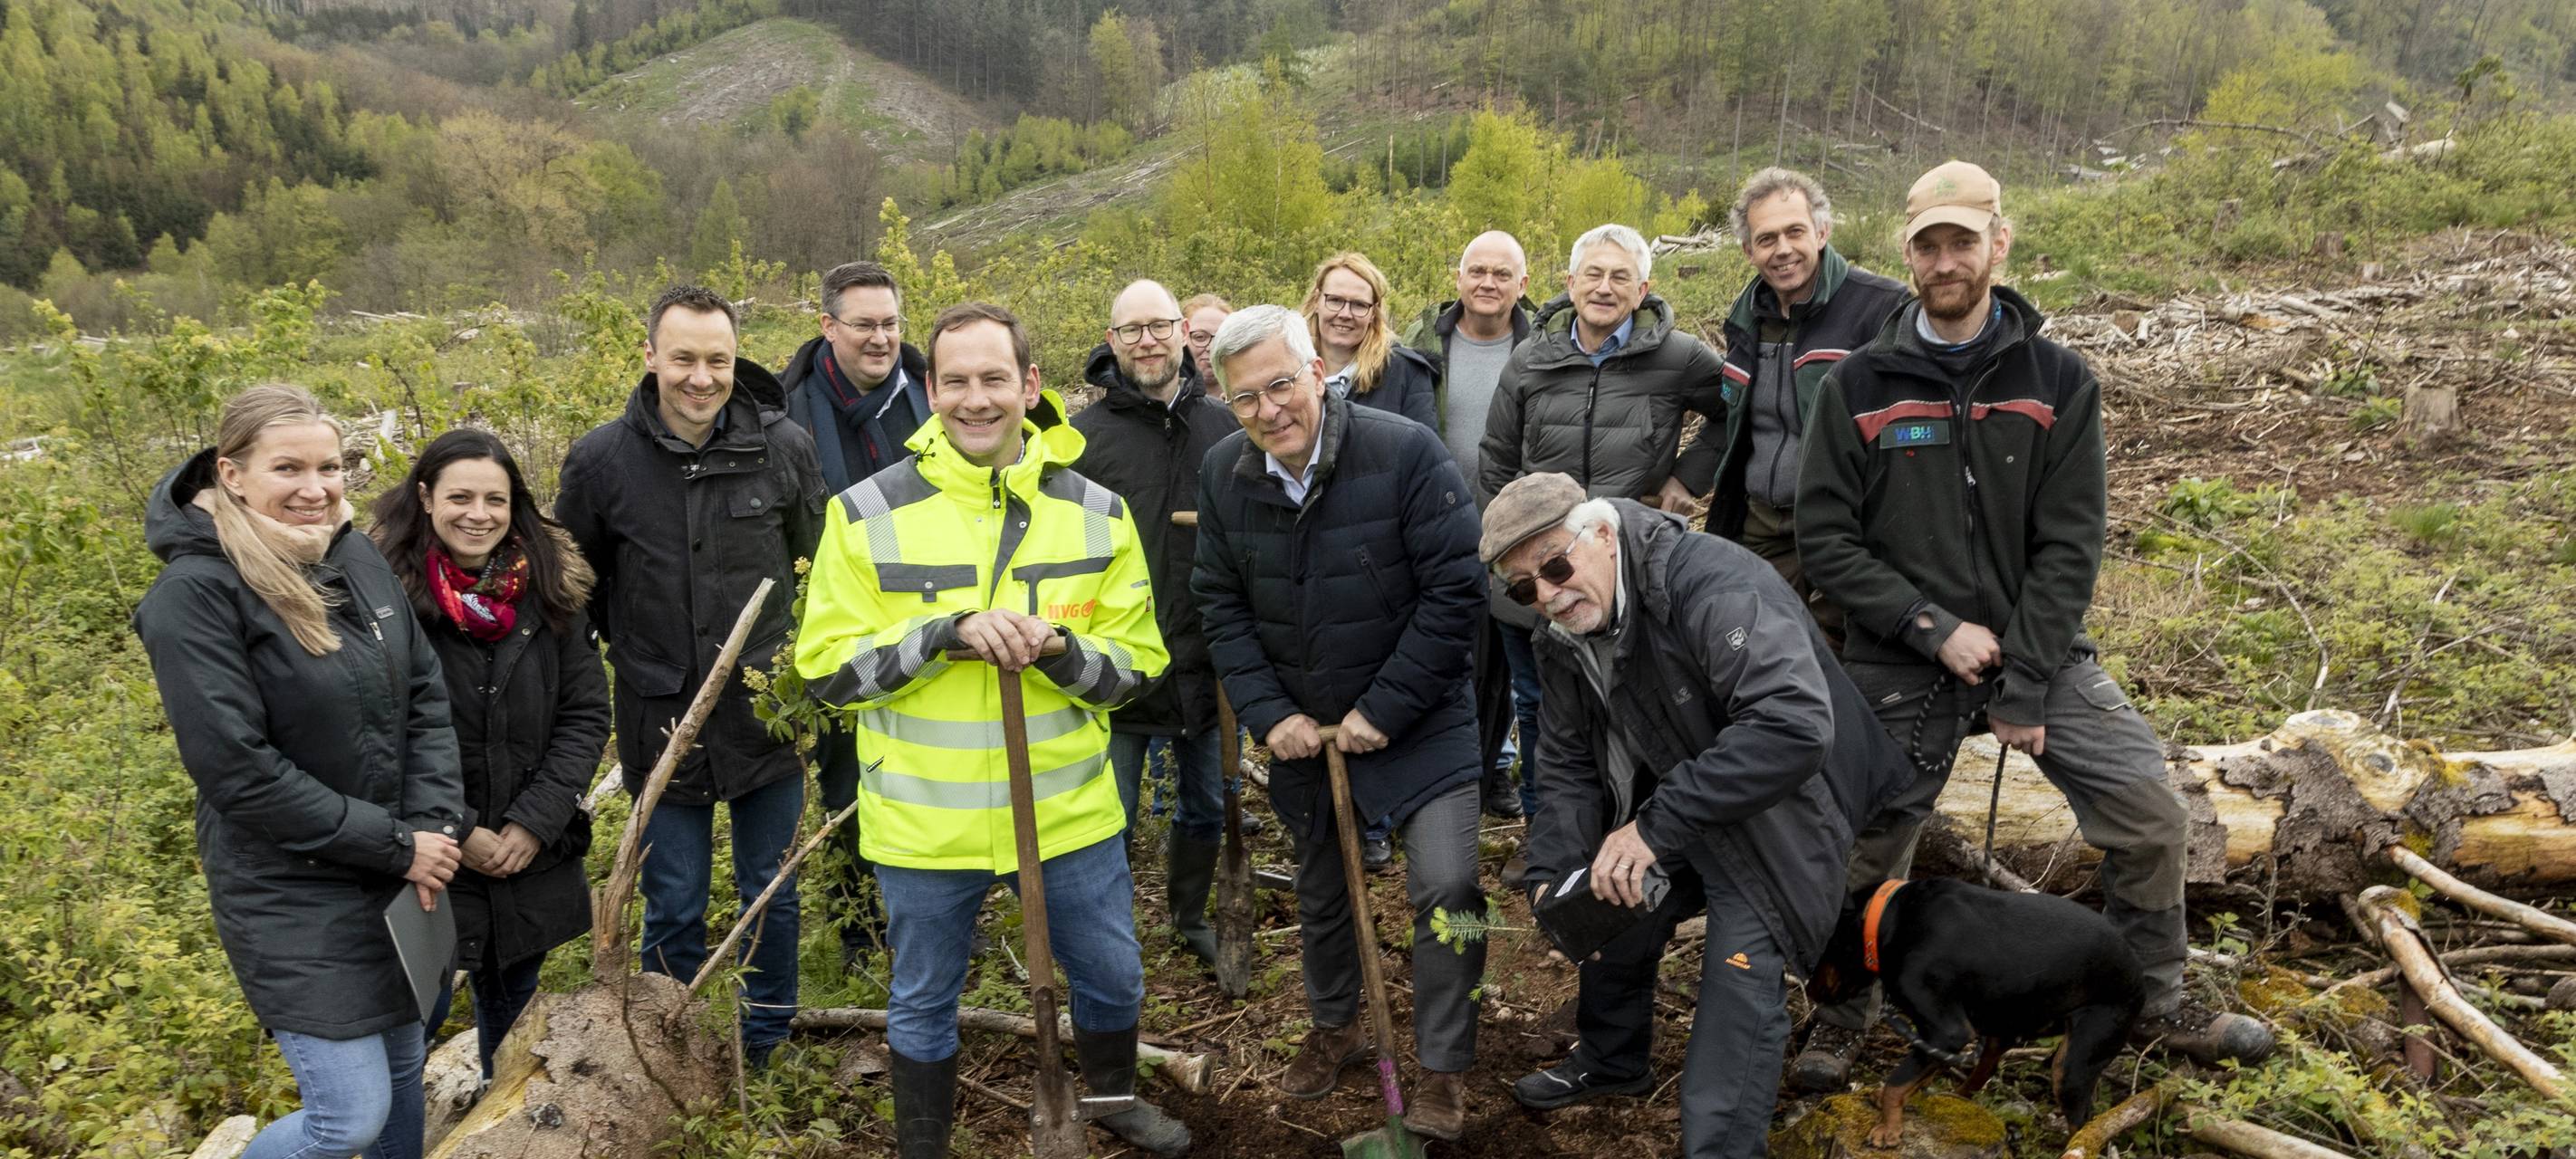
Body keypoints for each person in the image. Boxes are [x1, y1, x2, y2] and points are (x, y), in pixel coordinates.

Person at [1791, 160, 2276, 1091]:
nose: (1945, 260)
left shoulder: (2057, 379)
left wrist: (2021, 680)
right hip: (1899, 660)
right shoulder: (1856, 383)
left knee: (2151, 815)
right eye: (1928, 244)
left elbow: (2071, 542)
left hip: (2039, 653)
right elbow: (1826, 537)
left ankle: (2149, 996)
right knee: (1854, 841)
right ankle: (1843, 1008)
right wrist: (1930, 624)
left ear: (1998, 245)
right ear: (1907, 251)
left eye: (1962, 242)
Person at [793, 302, 1184, 1159]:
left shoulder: (1096, 513)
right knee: (924, 996)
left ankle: (1112, 1096)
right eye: (957, 381)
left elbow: (1135, 666)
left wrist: (1056, 649)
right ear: (930, 391)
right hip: (925, 828)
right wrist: (941, 634)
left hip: (1068, 816)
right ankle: (923, 1144)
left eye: (995, 379)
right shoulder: (864, 514)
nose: (977, 399)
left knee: (1113, 976)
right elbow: (824, 670)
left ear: (1030, 385)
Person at [1483, 472, 1908, 1157]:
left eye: (1556, 566)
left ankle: (1721, 1148)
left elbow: (1793, 727)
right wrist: (1556, 870)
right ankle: (1614, 1060)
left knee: (1738, 984)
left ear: (1602, 534)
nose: (1549, 595)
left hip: (1788, 807)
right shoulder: (1561, 637)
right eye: (1525, 587)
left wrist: (1652, 827)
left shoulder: (1710, 583)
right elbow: (1563, 764)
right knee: (1604, 901)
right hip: (1688, 796)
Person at [135, 384, 467, 1159]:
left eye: (330, 467)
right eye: (288, 468)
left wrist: (433, 826)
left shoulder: (353, 553)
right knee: (346, 1117)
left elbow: (423, 692)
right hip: (288, 888)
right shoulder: (194, 596)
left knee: (404, 1070)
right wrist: (398, 844)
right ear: (232, 473)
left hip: (392, 868)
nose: (315, 489)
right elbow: (240, 773)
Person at [1190, 304, 1487, 1139]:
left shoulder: (1403, 451)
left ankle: (1443, 1065)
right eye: (1245, 400)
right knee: (1323, 893)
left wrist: (1381, 711)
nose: (1269, 409)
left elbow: (1455, 592)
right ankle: (1337, 1025)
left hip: (1422, 721)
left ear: (1317, 370)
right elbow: (1220, 602)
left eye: (1281, 383)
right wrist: (1268, 711)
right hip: (1304, 733)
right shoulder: (1224, 473)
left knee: (1450, 890)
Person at [553, 284, 828, 1068]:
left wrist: (792, 671)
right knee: (672, 899)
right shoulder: (602, 460)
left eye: (717, 359)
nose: (701, 377)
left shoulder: (784, 449)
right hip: (658, 715)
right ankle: (670, 1053)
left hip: (765, 715)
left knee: (768, 894)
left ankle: (765, 1043)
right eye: (683, 359)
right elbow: (576, 583)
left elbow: (819, 572)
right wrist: (636, 653)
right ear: (650, 357)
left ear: (736, 359)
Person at [1477, 222, 1728, 883]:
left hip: (1627, 578)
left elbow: (1737, 408)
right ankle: (1551, 849)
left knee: (1631, 709)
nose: (1605, 287)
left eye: (1621, 276)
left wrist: (1686, 477)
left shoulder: (1678, 357)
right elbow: (1497, 459)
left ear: (1643, 288)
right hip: (1539, 580)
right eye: (1593, 274)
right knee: (1540, 712)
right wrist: (1515, 557)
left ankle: (1636, 848)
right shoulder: (1531, 359)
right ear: (1569, 284)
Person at [371, 428, 610, 1084]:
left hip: (526, 855)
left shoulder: (550, 591)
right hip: (426, 855)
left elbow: (585, 714)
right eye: (461, 497)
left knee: (513, 1026)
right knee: (408, 1029)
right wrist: (458, 827)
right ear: (425, 497)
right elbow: (375, 736)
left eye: (496, 500)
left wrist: (535, 821)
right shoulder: (381, 603)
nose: (479, 514)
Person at [1071, 280, 1241, 964]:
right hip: (1115, 664)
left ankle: (1189, 914)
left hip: (1206, 661)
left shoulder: (1225, 430)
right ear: (1112, 342)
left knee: (1204, 804)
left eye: (1159, 327)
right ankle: (1106, 932)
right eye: (1131, 329)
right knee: (1109, 813)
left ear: (1183, 333)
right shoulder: (1081, 440)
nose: (1147, 341)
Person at [778, 260, 929, 961]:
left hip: (933, 618)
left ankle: (935, 918)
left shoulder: (929, 394)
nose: (880, 338)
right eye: (864, 324)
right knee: (847, 786)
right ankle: (859, 931)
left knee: (931, 775)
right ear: (828, 326)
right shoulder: (786, 415)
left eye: (891, 323)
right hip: (843, 625)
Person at [1707, 168, 1907, 645]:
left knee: (1837, 654)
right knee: (1761, 647)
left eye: (1795, 232)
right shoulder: (1745, 317)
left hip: (1843, 526)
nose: (1783, 250)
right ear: (1748, 251)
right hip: (1761, 522)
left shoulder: (1879, 308)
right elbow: (1731, 418)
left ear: (1821, 232)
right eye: (1766, 238)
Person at [1401, 229, 1541, 824]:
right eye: (1477, 271)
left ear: (1523, 285)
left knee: (1504, 663)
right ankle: (1435, 780)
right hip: (1435, 526)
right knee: (1439, 654)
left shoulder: (1541, 346)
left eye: (1501, 274)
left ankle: (1491, 771)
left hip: (1514, 531)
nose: (1487, 284)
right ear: (1458, 278)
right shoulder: (1422, 344)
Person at [1299, 251, 1440, 429]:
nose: (1345, 314)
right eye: (1335, 300)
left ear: (1374, 313)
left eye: (1359, 305)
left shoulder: (1405, 373)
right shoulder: (1288, 369)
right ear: (1315, 302)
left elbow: (1423, 451)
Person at [1180, 292, 1233, 381]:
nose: (1211, 347)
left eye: (1220, 338)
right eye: (1200, 337)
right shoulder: (1160, 390)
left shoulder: (1254, 389)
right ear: (1182, 336)